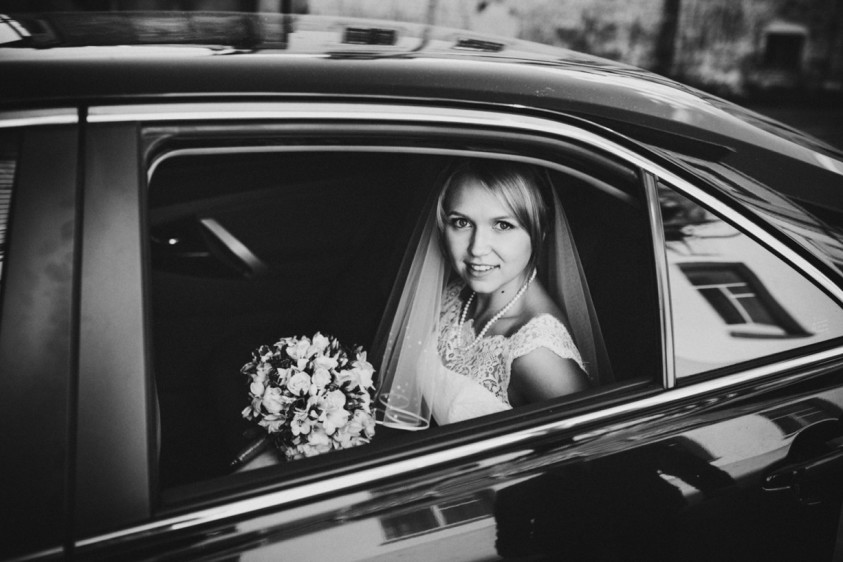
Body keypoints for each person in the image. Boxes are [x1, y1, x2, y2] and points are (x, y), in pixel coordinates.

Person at [374, 159, 610, 428]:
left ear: (540, 230)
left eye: (503, 225)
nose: (477, 248)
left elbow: (594, 444)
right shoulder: (456, 294)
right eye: (461, 222)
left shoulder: (537, 354)